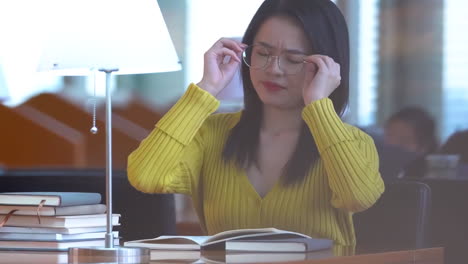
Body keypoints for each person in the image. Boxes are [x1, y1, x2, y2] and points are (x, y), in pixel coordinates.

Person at [128, 0, 384, 247]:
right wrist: (206, 89)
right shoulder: (211, 134)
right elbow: (146, 176)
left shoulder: (354, 143)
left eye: (293, 60)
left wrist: (319, 105)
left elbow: (358, 197)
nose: (273, 69)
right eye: (262, 53)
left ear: (327, 68)